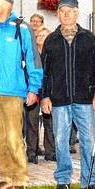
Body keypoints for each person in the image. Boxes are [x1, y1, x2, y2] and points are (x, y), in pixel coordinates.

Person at [0, 0, 43, 188]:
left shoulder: (22, 29)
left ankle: (20, 180)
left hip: (13, 92)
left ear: (7, 4)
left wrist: (34, 88)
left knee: (14, 138)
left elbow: (33, 60)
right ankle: (6, 178)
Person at [41, 0, 95, 189]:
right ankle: (63, 180)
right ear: (58, 14)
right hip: (59, 100)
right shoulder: (51, 40)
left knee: (89, 141)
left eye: (70, 11)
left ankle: (89, 181)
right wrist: (45, 96)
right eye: (62, 11)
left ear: (77, 13)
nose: (66, 14)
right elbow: (44, 71)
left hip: (85, 99)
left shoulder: (89, 38)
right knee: (60, 141)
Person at [24, 13, 46, 164]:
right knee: (18, 124)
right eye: (33, 21)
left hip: (34, 89)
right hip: (18, 88)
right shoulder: (22, 42)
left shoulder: (41, 48)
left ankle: (32, 152)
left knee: (32, 122)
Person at [36, 27, 56, 162]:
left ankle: (51, 151)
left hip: (50, 90)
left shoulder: (53, 52)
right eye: (40, 35)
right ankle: (33, 150)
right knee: (32, 123)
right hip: (35, 90)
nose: (42, 37)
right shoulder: (33, 53)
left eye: (45, 35)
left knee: (50, 123)